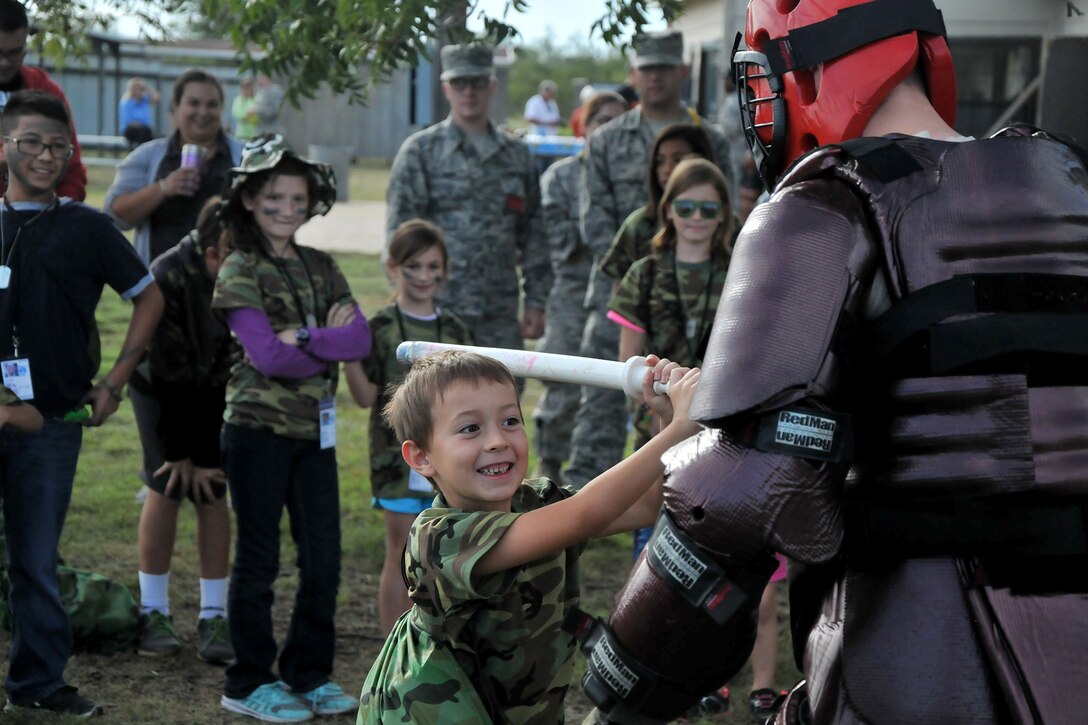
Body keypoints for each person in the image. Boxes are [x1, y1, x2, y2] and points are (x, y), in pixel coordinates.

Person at [580, 1, 1088, 723]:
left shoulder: (829, 201)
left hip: (922, 659)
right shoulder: (1067, 180)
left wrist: (624, 683)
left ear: (802, 68)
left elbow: (744, 491)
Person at [358, 350, 701, 723]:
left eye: (509, 420)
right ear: (422, 458)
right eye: (470, 428)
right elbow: (582, 516)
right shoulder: (439, 539)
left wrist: (667, 419)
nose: (497, 441)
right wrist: (682, 426)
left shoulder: (536, 501)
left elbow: (646, 505)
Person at [0, 90, 163, 717]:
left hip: (53, 425)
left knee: (36, 560)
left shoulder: (89, 227)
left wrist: (116, 380)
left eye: (57, 146)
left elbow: (148, 297)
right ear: (5, 146)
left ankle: (37, 685)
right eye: (32, 142)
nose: (45, 156)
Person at [213, 136, 370, 723]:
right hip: (255, 433)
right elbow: (264, 358)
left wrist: (305, 338)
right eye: (274, 195)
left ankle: (309, 672)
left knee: (323, 560)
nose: (287, 206)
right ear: (250, 199)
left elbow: (360, 340)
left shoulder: (321, 266)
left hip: (315, 436)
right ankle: (248, 680)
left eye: (297, 197)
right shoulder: (238, 268)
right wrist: (320, 345)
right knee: (258, 560)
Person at [566, 29, 733, 489]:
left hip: (702, 296)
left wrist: (688, 263)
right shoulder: (606, 141)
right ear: (633, 73)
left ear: (682, 70)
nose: (655, 77)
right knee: (599, 407)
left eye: (664, 67)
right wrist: (653, 274)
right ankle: (585, 503)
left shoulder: (710, 139)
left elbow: (727, 209)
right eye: (646, 68)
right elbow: (594, 223)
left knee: (701, 409)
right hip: (621, 295)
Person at [343, 219, 473, 634]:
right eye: (413, 266)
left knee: (444, 550)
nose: (423, 276)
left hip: (447, 460)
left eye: (433, 267)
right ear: (392, 268)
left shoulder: (453, 330)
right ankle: (391, 649)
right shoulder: (379, 327)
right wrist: (347, 353)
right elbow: (365, 397)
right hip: (394, 463)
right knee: (401, 551)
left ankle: (435, 643)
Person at [385, 42, 549, 352]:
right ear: (447, 88)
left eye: (477, 82)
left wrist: (536, 302)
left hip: (498, 312)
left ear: (492, 86)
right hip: (436, 308)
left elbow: (534, 236)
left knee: (502, 393)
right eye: (460, 83)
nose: (468, 92)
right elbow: (399, 237)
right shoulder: (421, 152)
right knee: (434, 397)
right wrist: (408, 304)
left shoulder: (516, 156)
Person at [129, 196, 234, 665]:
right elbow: (168, 370)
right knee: (167, 482)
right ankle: (153, 610)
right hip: (159, 390)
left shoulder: (245, 275)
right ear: (213, 253)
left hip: (216, 390)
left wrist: (206, 454)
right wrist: (179, 450)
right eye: (235, 254)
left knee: (213, 487)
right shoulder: (167, 272)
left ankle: (215, 614)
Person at [533, 90, 627, 484]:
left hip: (619, 292)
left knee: (609, 389)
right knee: (564, 384)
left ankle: (597, 480)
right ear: (584, 127)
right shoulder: (562, 176)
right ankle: (550, 466)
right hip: (573, 291)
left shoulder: (632, 176)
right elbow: (561, 241)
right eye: (601, 120)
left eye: (617, 120)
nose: (609, 128)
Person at [106, 68, 245, 265]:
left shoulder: (245, 157)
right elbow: (115, 215)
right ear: (175, 106)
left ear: (222, 109)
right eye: (194, 103)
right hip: (161, 287)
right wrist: (163, 188)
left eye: (212, 104)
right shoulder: (147, 156)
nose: (203, 112)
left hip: (232, 286)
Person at [0, 0, 86, 201]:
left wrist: (53, 217)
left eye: (14, 53)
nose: (5, 62)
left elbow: (72, 168)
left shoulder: (45, 90)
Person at [119, 76, 160, 147]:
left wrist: (146, 87)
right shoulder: (126, 102)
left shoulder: (144, 100)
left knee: (149, 133)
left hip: (145, 131)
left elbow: (157, 97)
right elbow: (130, 122)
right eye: (137, 89)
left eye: (141, 89)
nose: (140, 91)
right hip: (131, 130)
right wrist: (141, 125)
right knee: (144, 132)